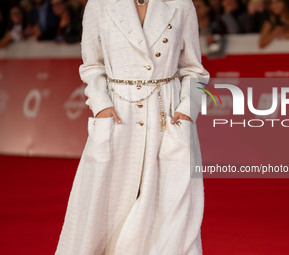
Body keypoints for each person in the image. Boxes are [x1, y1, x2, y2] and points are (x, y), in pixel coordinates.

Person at [54, 0, 210, 254]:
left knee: (169, 204)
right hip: (118, 113)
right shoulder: (99, 5)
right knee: (104, 204)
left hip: (167, 114)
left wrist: (186, 110)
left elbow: (193, 69)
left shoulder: (181, 4)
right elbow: (92, 65)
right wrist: (101, 104)